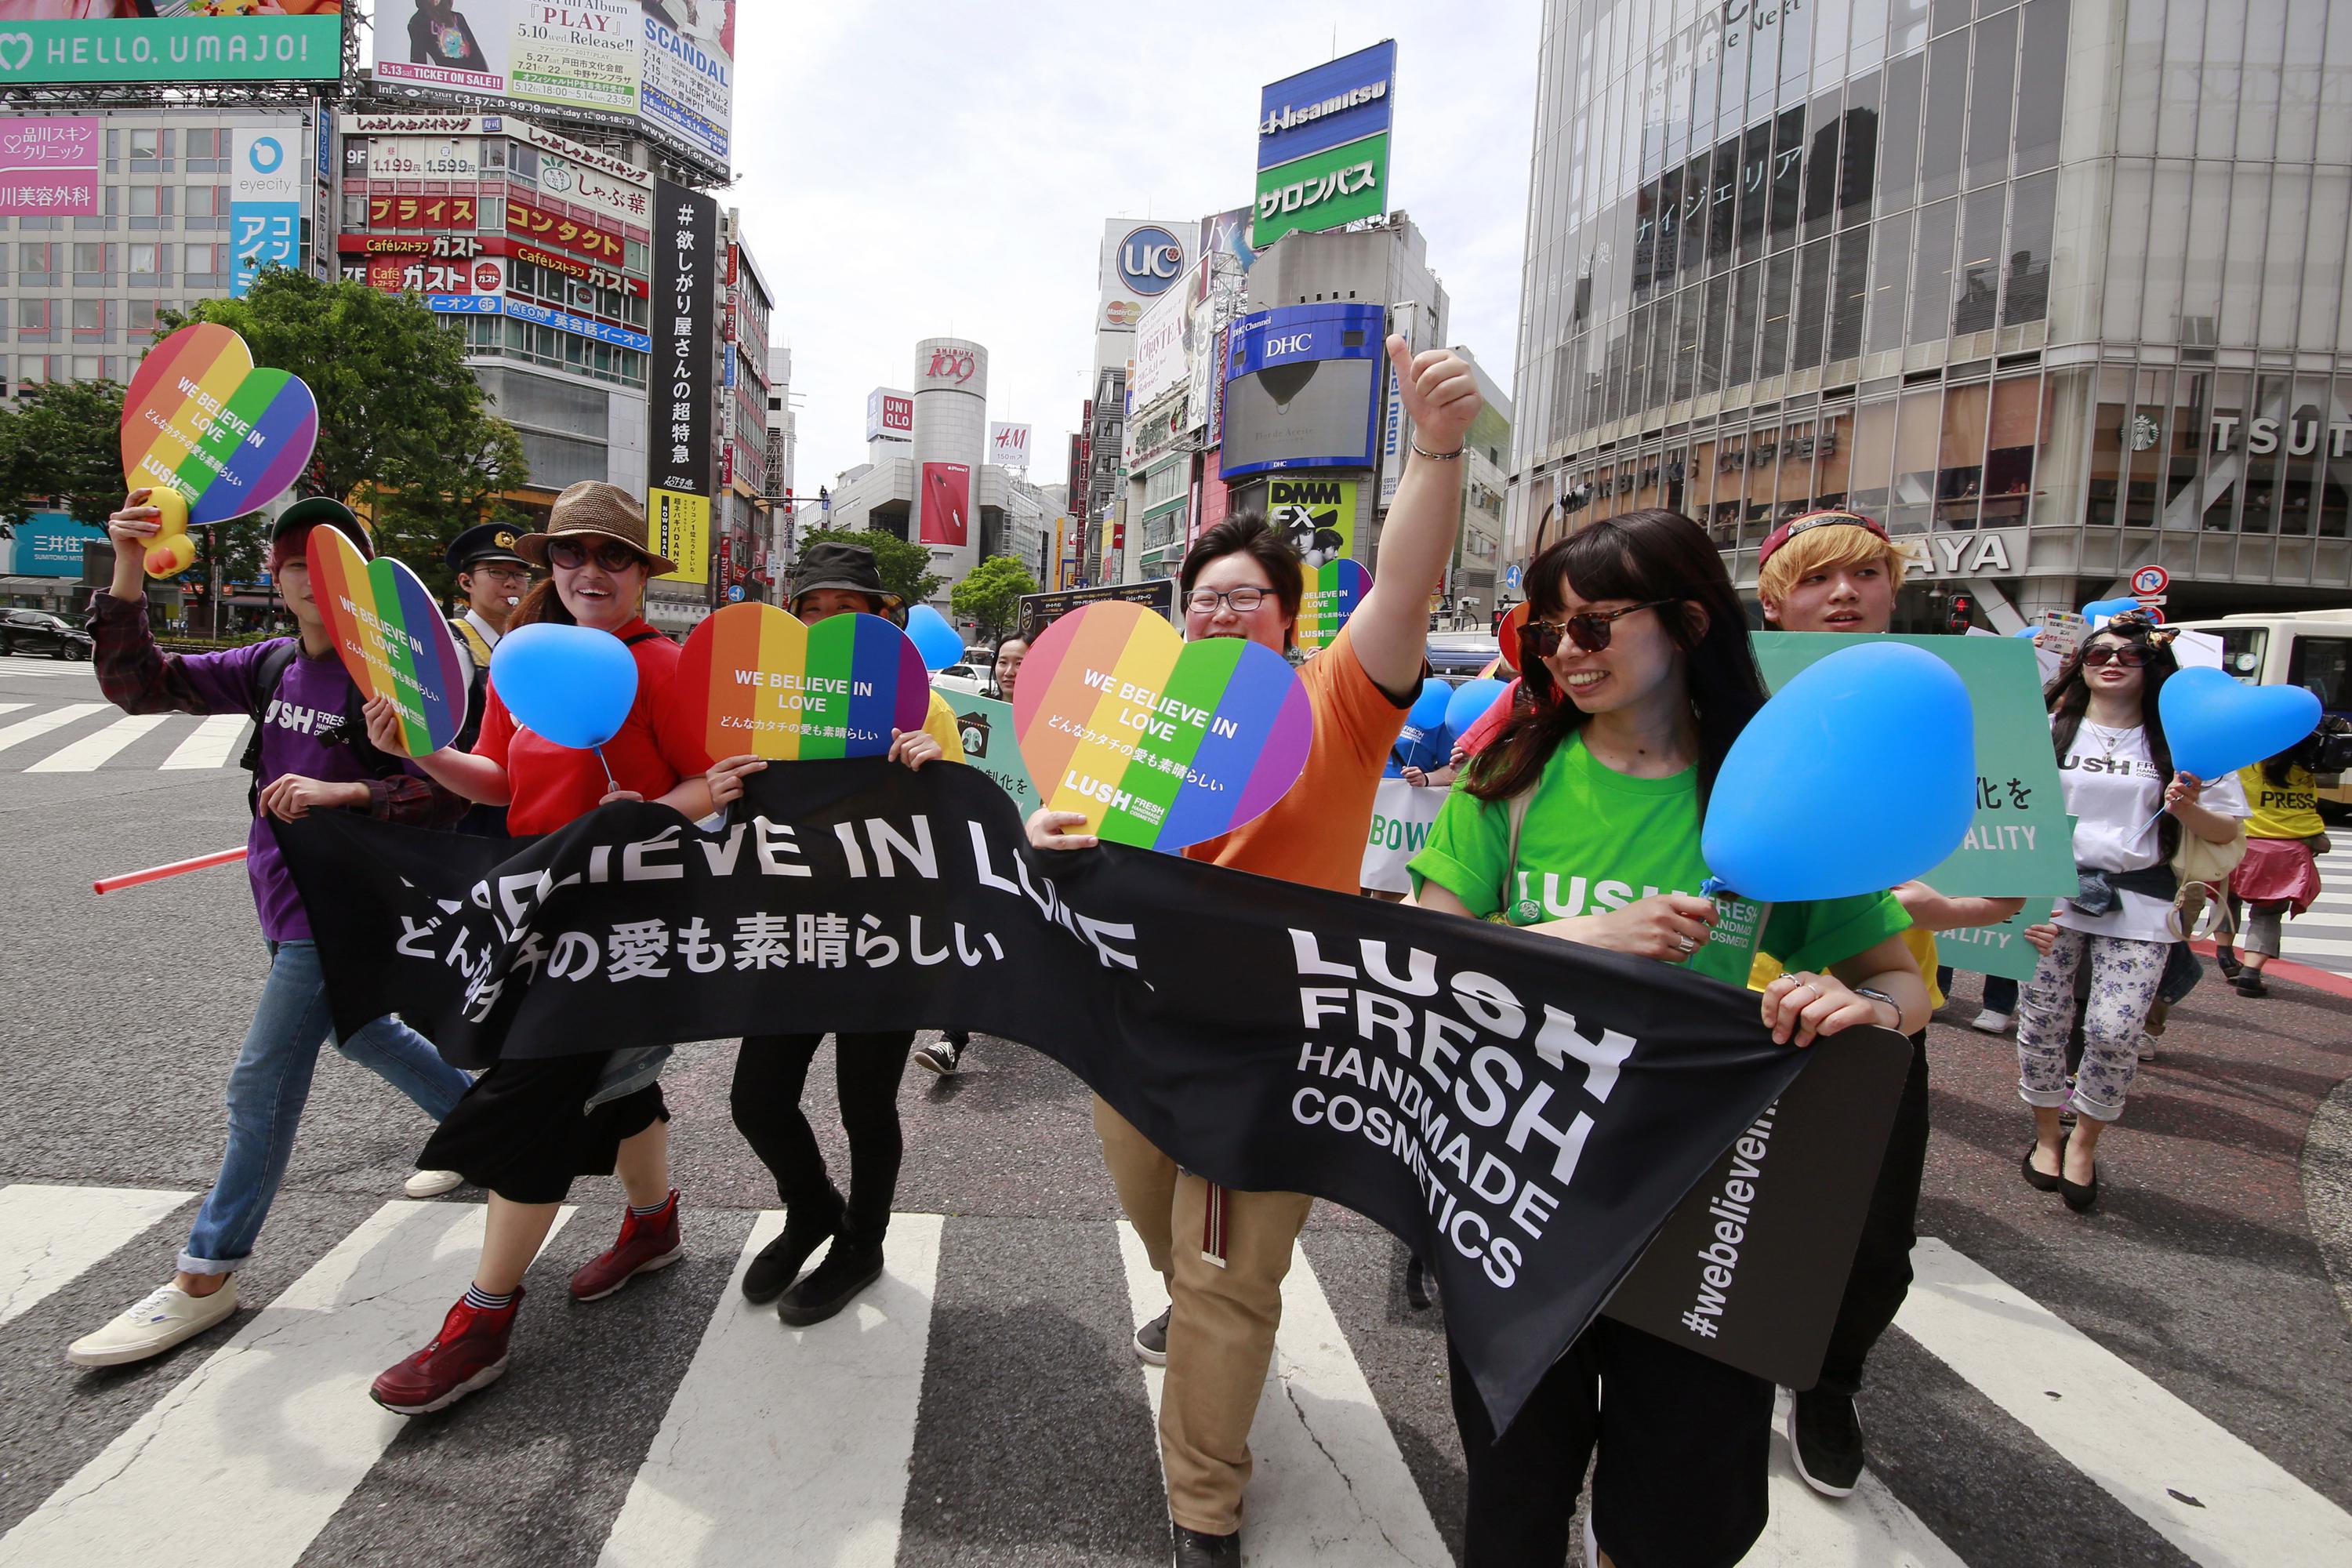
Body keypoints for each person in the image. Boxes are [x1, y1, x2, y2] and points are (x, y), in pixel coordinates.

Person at [1027, 336, 1483, 1568]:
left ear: (1288, 620)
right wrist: (1044, 831)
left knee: (1227, 1279)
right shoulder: (1140, 728)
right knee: (1164, 1231)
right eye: (1203, 599)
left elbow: (1406, 588)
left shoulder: (1338, 702)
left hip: (1271, 1054)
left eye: (1244, 598)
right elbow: (1072, 841)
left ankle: (1205, 1507)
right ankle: (1194, 1316)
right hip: (1132, 1037)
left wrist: (1432, 450)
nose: (1220, 613)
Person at [1407, 511, 1926, 1567]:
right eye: (1543, 632)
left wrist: (1856, 1008)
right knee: (1513, 1502)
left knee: (1679, 1520)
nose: (1564, 653)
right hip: (1523, 1196)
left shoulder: (1776, 794)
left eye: (1591, 627)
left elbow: (1901, 985)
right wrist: (1579, 935)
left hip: (1717, 1211)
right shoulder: (1509, 778)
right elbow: (1423, 961)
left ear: (1689, 622)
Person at [363, 481, 761, 1414]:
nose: (589, 571)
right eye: (570, 553)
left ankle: (483, 1316)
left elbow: (725, 783)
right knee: (616, 1081)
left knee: (536, 1094)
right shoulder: (526, 662)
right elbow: (500, 778)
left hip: (627, 921)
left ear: (640, 573)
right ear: (550, 566)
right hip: (533, 908)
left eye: (611, 555)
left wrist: (649, 815)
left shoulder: (665, 666)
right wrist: (420, 748)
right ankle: (655, 1224)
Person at [67, 493, 477, 1370]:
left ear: (363, 587)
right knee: (362, 1033)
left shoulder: (392, 675)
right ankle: (484, 1124)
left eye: (333, 566)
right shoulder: (268, 666)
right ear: (277, 578)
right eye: (297, 564)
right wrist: (129, 562)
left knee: (261, 1082)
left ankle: (205, 1274)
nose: (312, 580)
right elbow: (139, 684)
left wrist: (355, 790)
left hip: (348, 906)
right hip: (280, 895)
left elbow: (448, 796)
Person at [1753, 507, 2026, 1497]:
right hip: (1730, 996)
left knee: (1874, 1235)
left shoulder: (1958, 698)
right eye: (1819, 577)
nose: (1844, 593)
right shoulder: (1732, 698)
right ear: (1774, 596)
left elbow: (2016, 876)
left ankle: (1830, 1381)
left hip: (1879, 1006)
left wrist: (1940, 904)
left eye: (1866, 574)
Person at [731, 542, 964, 1325]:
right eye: (814, 609)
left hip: (887, 938)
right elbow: (738, 811)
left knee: (866, 1105)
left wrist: (935, 767)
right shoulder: (769, 696)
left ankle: (862, 1243)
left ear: (881, 620)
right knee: (757, 1098)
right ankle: (811, 1208)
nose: (829, 622)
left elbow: (963, 827)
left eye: (847, 609)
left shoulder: (923, 703)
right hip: (794, 929)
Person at [2017, 614, 2245, 1214]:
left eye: (2129, 654)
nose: (2111, 661)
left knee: (2115, 1030)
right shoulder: (2046, 730)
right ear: (2081, 665)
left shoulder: (2180, 743)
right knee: (2042, 1019)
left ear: (2154, 668)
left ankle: (2084, 1143)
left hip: (2141, 898)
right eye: (2098, 653)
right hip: (2051, 896)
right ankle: (2046, 1136)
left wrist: (2189, 807)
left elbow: (2227, 830)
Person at [916, 629, 1030, 1077]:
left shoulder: (1057, 724)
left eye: (1020, 663)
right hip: (972, 842)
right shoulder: (964, 713)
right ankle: (952, 1038)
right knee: (969, 929)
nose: (1009, 671)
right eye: (1004, 662)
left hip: (1027, 845)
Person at [2216, 724, 2333, 997]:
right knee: (2268, 913)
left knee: (2226, 899)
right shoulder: (2303, 772)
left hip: (2242, 844)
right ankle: (2251, 973)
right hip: (2288, 852)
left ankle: (2224, 953)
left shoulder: (2242, 766)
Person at [444, 521, 534, 836]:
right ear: (466, 582)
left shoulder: (528, 645)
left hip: (524, 801)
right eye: (497, 573)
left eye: (519, 575)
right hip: (472, 806)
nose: (511, 584)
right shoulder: (449, 644)